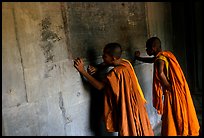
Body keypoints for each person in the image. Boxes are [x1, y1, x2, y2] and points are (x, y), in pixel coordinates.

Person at [73, 43, 154, 136]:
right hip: (137, 103)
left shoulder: (116, 72)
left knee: (129, 130)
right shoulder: (125, 63)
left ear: (113, 58)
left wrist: (82, 71)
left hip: (128, 107)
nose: (103, 58)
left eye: (105, 56)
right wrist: (98, 67)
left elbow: (100, 86)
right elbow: (106, 64)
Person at [134, 37, 200, 136]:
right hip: (176, 89)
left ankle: (176, 131)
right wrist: (138, 58)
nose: (146, 50)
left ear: (154, 48)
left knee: (173, 112)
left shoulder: (160, 59)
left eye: (147, 48)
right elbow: (152, 60)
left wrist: (168, 86)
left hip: (171, 90)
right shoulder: (165, 55)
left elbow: (160, 73)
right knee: (178, 110)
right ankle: (179, 130)